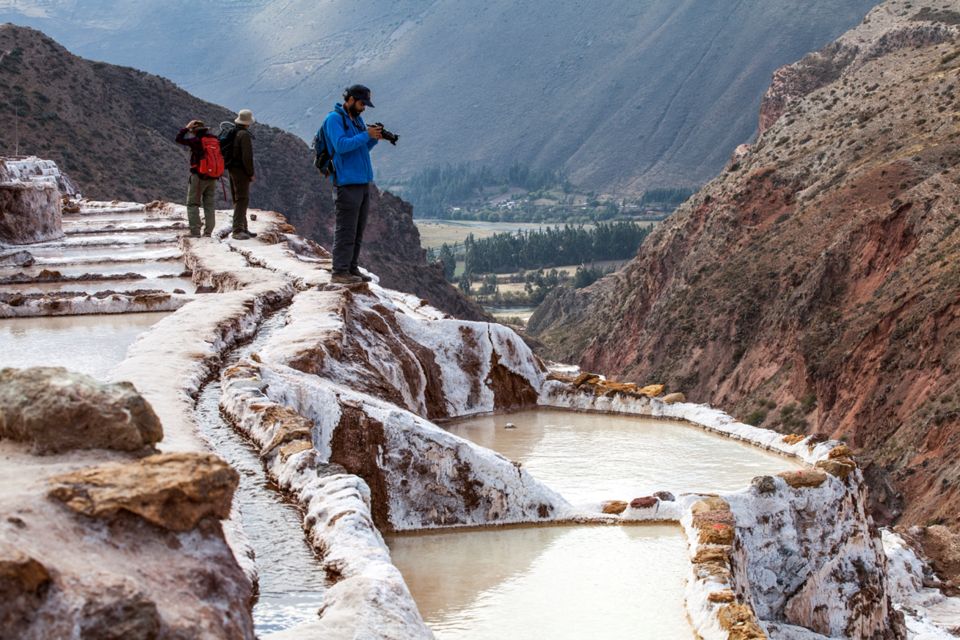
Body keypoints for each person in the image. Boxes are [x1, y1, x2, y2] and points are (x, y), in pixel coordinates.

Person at [320, 84, 383, 284]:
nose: (364, 107)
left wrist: (373, 138)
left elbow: (360, 149)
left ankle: (351, 268)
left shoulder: (357, 119)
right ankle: (339, 272)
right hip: (346, 183)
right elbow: (341, 146)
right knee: (346, 229)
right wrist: (366, 135)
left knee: (358, 229)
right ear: (351, 99)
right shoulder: (334, 119)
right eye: (362, 103)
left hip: (362, 182)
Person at [174, 120, 219, 237]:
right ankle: (208, 232)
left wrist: (186, 128)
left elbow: (178, 139)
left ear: (194, 131)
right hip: (213, 177)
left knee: (193, 204)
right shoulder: (214, 140)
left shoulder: (196, 141)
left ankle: (195, 231)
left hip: (199, 177)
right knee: (209, 204)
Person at [227, 109, 257, 240]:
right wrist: (250, 173)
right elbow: (247, 157)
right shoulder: (243, 135)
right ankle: (238, 230)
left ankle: (243, 227)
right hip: (241, 171)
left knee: (238, 198)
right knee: (242, 199)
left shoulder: (233, 133)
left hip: (232, 169)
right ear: (247, 122)